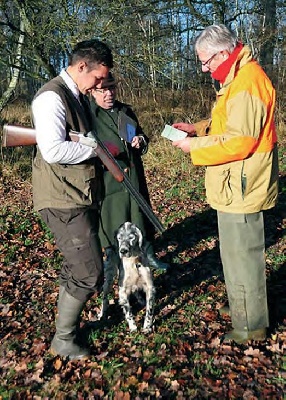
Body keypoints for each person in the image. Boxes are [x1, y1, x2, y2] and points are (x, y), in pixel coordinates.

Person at [172, 24, 279, 344]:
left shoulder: (247, 82)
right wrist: (198, 129)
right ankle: (246, 319)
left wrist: (195, 148)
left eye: (205, 61)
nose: (204, 69)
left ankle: (250, 331)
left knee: (242, 260)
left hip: (243, 187)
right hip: (236, 186)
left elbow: (240, 142)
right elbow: (227, 126)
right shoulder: (238, 80)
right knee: (235, 258)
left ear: (223, 53)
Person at [31, 39, 114, 360]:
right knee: (89, 271)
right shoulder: (52, 97)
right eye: (96, 78)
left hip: (78, 194)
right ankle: (63, 339)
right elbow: (52, 150)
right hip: (62, 197)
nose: (99, 84)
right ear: (82, 67)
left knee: (78, 266)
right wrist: (94, 149)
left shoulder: (75, 95)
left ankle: (66, 330)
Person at [90, 72, 169, 274]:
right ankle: (114, 262)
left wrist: (140, 140)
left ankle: (149, 255)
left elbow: (140, 135)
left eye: (112, 88)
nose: (109, 94)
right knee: (112, 220)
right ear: (92, 91)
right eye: (102, 90)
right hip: (108, 180)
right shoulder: (87, 116)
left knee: (140, 215)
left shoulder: (125, 111)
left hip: (133, 175)